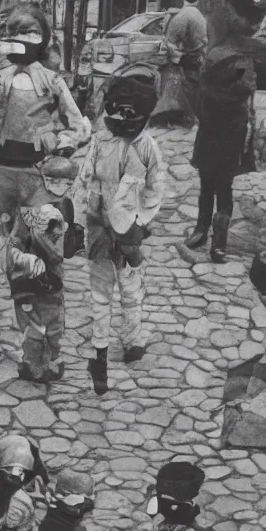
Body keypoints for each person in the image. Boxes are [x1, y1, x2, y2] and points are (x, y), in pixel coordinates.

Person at [70, 75, 167, 396]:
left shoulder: (147, 147)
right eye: (116, 113)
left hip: (128, 230)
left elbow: (155, 188)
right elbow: (84, 178)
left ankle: (132, 338)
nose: (122, 121)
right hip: (99, 224)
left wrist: (139, 219)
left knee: (129, 286)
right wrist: (75, 218)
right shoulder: (100, 141)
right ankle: (99, 349)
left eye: (130, 114)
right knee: (100, 289)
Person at [0, 4, 89, 235]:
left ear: (42, 39)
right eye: (16, 34)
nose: (22, 40)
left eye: (30, 33)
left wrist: (62, 141)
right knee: (3, 226)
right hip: (3, 163)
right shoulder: (2, 76)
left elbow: (76, 123)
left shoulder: (51, 80)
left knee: (38, 228)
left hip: (38, 165)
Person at [185, 48, 257, 262]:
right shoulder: (237, 89)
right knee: (217, 188)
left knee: (214, 187)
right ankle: (210, 239)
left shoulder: (210, 83)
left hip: (218, 138)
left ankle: (209, 237)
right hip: (220, 139)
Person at [4, 193, 73, 385]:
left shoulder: (64, 208)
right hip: (32, 282)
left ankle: (52, 359)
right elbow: (14, 246)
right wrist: (25, 259)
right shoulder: (28, 214)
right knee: (35, 325)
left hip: (52, 282)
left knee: (54, 324)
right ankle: (34, 365)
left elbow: (63, 246)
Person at [152, 0, 208, 127]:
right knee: (193, 89)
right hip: (196, 57)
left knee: (186, 90)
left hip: (188, 59)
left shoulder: (183, 15)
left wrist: (178, 56)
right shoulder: (197, 15)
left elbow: (170, 42)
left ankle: (187, 118)